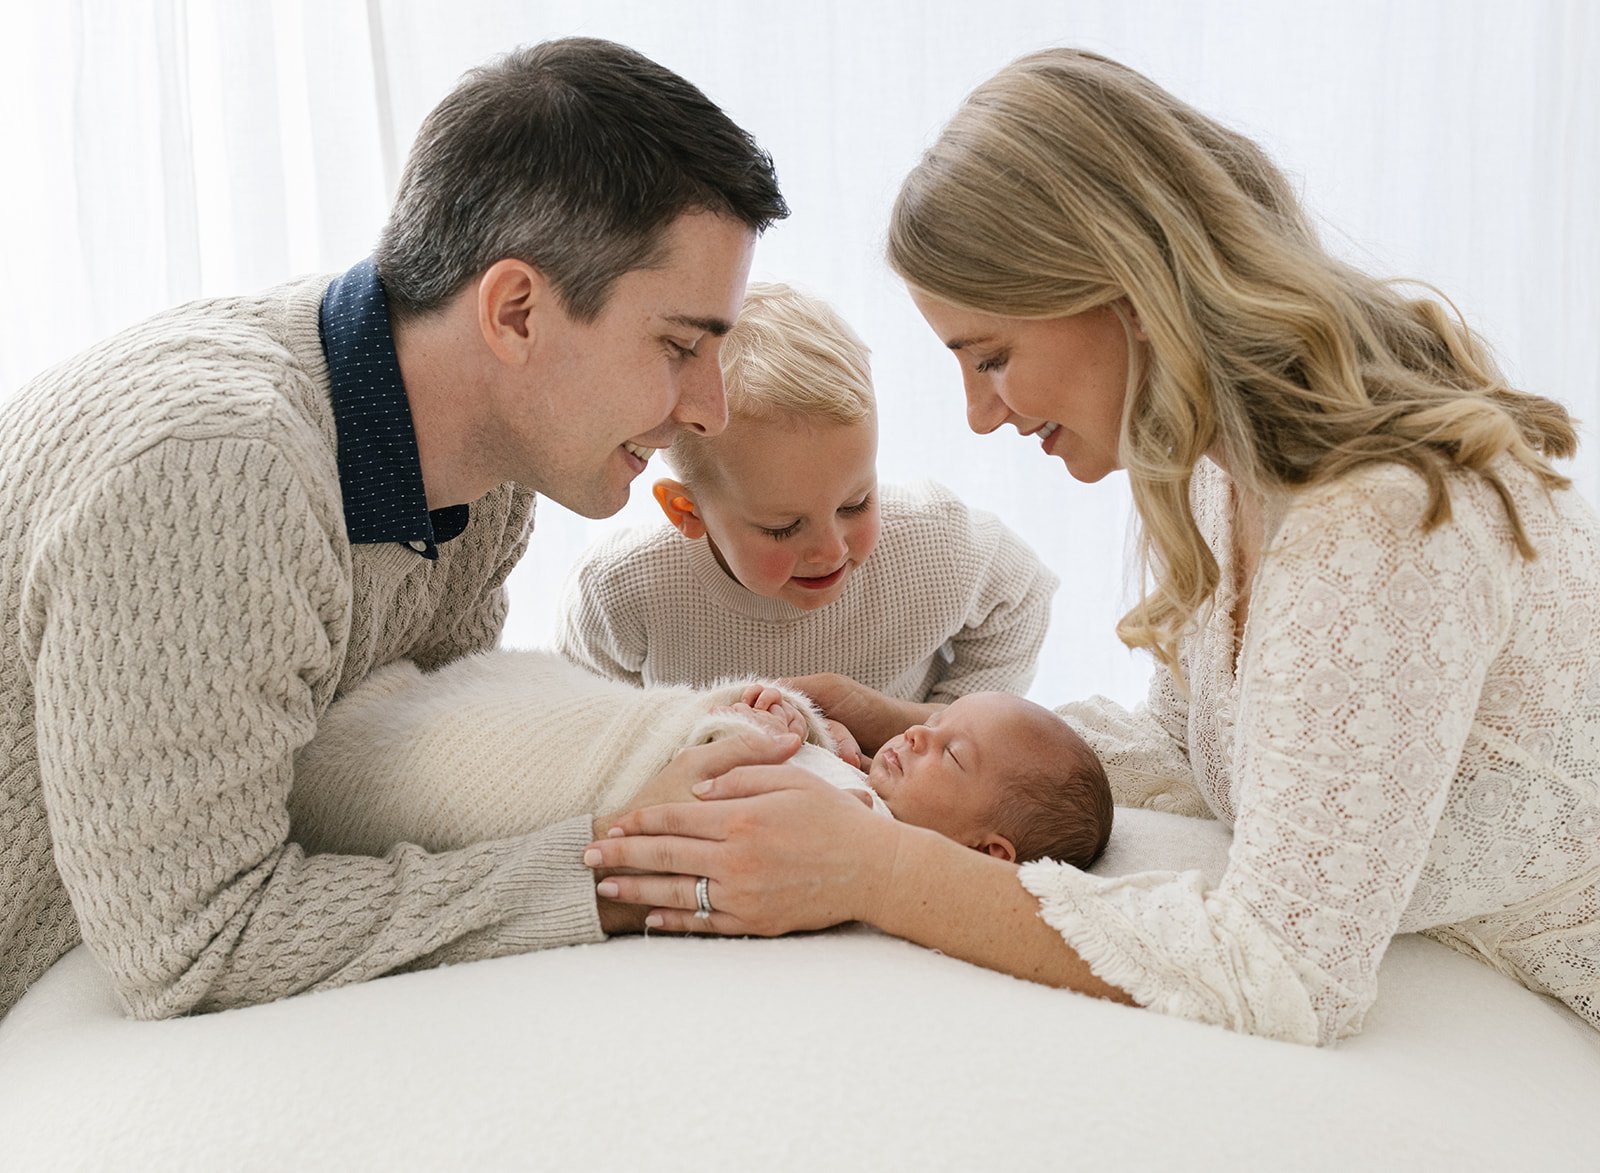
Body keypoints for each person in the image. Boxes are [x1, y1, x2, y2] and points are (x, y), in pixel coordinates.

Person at [582, 48, 1600, 1046]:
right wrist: (918, 727)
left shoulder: (1369, 529)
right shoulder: (1212, 471)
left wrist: (873, 867)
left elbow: (1290, 971)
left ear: (1126, 296)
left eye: (991, 357)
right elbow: (1212, 751)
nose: (981, 415)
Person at [0, 37, 791, 1022]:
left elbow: (394, 780)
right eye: (680, 345)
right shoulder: (218, 468)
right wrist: (617, 869)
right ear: (513, 311)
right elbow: (194, 945)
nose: (711, 409)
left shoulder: (485, 470)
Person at [553, 281, 1058, 701]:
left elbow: (1022, 596)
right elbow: (584, 720)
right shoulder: (620, 590)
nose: (830, 549)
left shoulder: (932, 543)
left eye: (855, 504)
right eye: (782, 528)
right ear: (687, 511)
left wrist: (937, 726)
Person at [288, 651, 1111, 871]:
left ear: (986, 852)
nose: (918, 733)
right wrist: (780, 718)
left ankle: (364, 750)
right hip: (612, 724)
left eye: (951, 753)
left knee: (425, 762)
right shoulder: (856, 780)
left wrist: (748, 735)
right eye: (940, 720)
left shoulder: (850, 823)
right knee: (520, 694)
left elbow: (728, 788)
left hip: (588, 768)